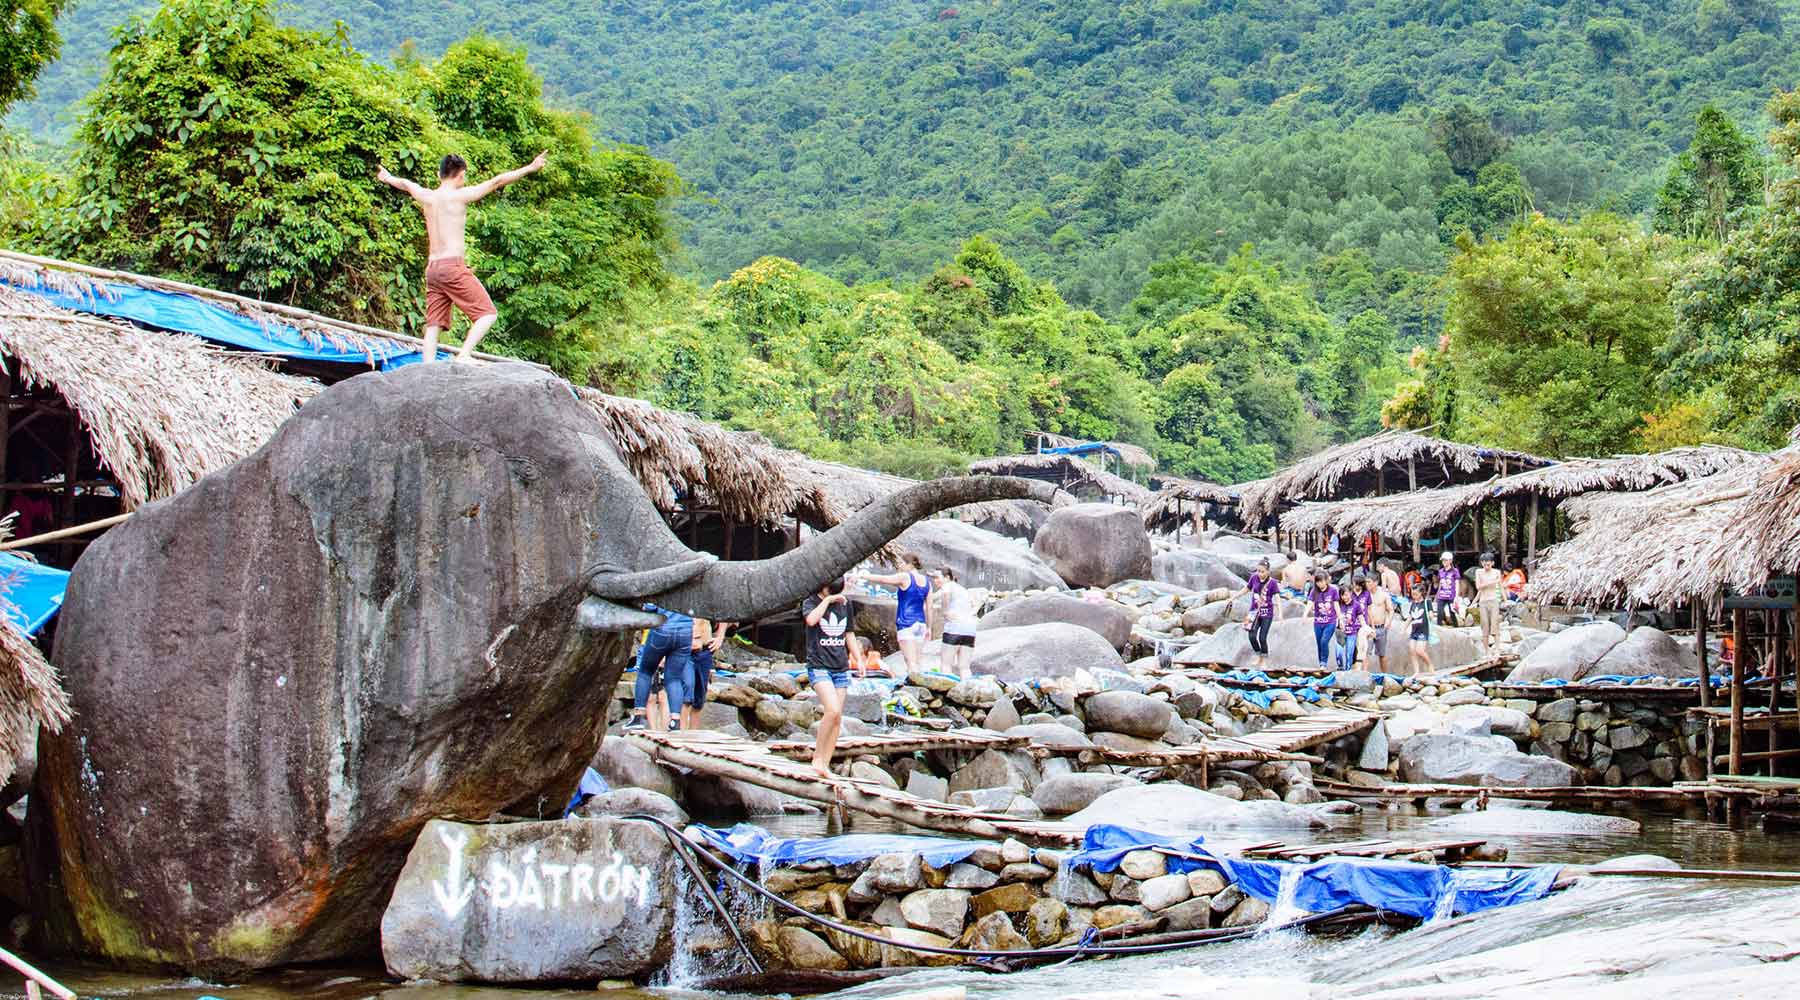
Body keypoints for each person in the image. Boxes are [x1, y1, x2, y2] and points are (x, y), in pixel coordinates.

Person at [376, 151, 548, 362]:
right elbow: (497, 181)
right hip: (451, 266)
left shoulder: (427, 196)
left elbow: (405, 183)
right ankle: (464, 354)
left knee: (434, 324)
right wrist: (530, 167)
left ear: (440, 175)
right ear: (460, 175)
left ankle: (427, 367)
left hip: (433, 269)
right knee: (487, 313)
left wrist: (387, 178)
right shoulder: (459, 196)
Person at [802, 578, 858, 776]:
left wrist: (858, 658)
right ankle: (817, 758)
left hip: (841, 667)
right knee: (832, 710)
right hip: (819, 666)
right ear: (823, 588)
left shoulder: (845, 604)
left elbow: (849, 633)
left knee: (837, 718)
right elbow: (811, 620)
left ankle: (825, 764)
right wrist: (827, 601)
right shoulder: (810, 601)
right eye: (830, 592)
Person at [855, 554, 931, 675]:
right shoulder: (927, 582)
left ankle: (914, 687)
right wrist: (929, 627)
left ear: (910, 564)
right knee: (917, 661)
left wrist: (863, 575)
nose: (899, 566)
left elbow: (883, 579)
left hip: (906, 623)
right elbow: (929, 607)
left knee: (910, 661)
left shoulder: (905, 577)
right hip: (920, 624)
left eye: (902, 563)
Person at [625, 604, 693, 732]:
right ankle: (675, 721)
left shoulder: (665, 584)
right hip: (686, 631)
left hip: (663, 628)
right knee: (674, 678)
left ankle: (638, 718)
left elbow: (651, 607)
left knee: (645, 672)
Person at [682, 618, 732, 731]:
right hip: (684, 649)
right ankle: (682, 733)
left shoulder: (706, 602)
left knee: (699, 696)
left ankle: (692, 734)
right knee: (687, 691)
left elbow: (724, 613)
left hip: (705, 649)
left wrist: (720, 637)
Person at [932, 567, 978, 680]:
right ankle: (967, 691)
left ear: (947, 577)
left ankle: (944, 693)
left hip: (954, 628)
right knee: (964, 667)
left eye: (937, 577)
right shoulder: (962, 589)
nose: (935, 580)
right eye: (934, 578)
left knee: (946, 664)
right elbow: (976, 603)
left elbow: (945, 595)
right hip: (969, 630)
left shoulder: (947, 586)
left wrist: (945, 611)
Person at [1239, 557, 1280, 668]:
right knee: (1251, 636)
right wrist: (1233, 597)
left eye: (1262, 571)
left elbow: (1277, 597)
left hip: (1267, 613)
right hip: (1254, 612)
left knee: (1262, 637)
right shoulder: (1254, 578)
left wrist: (1280, 612)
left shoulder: (1273, 583)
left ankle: (1264, 660)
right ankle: (1258, 655)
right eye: (1258, 571)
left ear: (1268, 571)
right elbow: (1246, 589)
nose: (1260, 574)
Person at [1306, 570, 1339, 671]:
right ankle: (1321, 664)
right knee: (1319, 642)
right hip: (1318, 622)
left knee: (1324, 641)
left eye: (1321, 581)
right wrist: (1305, 614)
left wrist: (1340, 617)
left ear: (1326, 581)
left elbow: (1336, 604)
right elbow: (1310, 602)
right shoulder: (1314, 591)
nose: (1320, 584)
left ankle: (1324, 662)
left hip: (1330, 621)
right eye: (1318, 582)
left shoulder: (1333, 590)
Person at [1473, 551, 1504, 653]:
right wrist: (1492, 581)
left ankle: (1498, 649)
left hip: (1494, 600)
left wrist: (1506, 599)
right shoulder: (1479, 572)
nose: (1486, 566)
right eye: (1484, 564)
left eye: (1489, 564)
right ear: (1482, 563)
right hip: (1483, 601)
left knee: (1495, 625)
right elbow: (1478, 587)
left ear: (1492, 563)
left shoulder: (1496, 572)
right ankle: (1487, 651)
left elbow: (1500, 586)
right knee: (1485, 625)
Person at [1362, 573, 1392, 673]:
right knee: (1366, 652)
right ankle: (1364, 674)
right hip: (1368, 627)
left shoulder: (1384, 594)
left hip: (1381, 626)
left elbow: (1390, 610)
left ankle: (1385, 676)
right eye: (1366, 582)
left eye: (1369, 582)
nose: (1367, 584)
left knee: (1382, 654)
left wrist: (1388, 622)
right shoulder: (1364, 594)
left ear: (1375, 582)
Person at [1335, 581, 1364, 669]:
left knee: (1349, 654)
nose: (1345, 597)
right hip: (1340, 632)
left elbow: (1361, 618)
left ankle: (1348, 671)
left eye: (1347, 595)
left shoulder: (1356, 605)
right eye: (1342, 595)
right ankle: (1340, 668)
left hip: (1352, 633)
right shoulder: (1338, 604)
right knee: (1338, 653)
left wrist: (1365, 628)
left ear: (1351, 593)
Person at [1406, 581, 1434, 675]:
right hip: (1414, 631)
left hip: (1423, 630)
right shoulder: (1413, 604)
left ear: (1421, 593)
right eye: (1412, 594)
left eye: (1416, 594)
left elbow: (1431, 613)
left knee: (1420, 651)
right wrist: (1404, 627)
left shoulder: (1427, 602)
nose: (1414, 596)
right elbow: (1410, 617)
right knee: (1412, 650)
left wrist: (1431, 616)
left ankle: (1429, 665)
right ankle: (1416, 671)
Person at [1433, 551, 1462, 626]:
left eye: (1445, 560)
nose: (1444, 562)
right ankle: (1439, 628)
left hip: (1451, 596)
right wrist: (1437, 595)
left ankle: (1456, 627)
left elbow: (1457, 584)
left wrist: (1456, 596)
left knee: (1452, 612)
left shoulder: (1455, 571)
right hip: (1441, 595)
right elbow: (1440, 584)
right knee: (1440, 613)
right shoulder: (1440, 571)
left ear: (1450, 561)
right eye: (1443, 560)